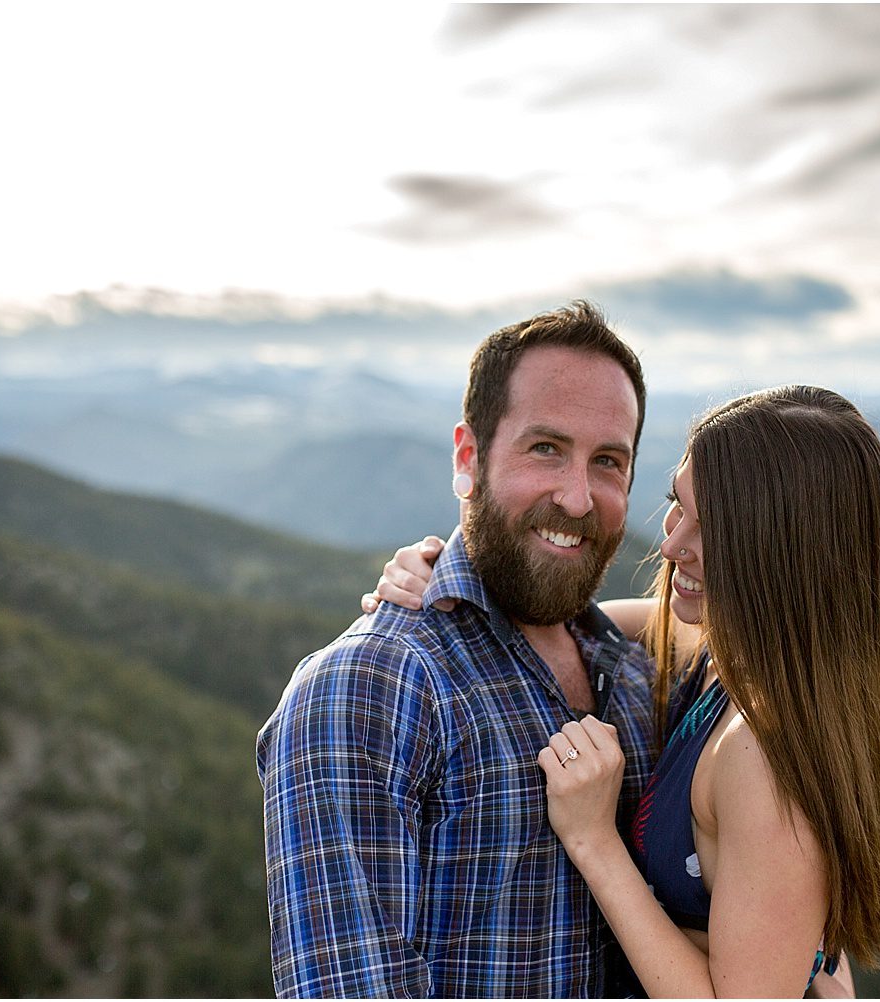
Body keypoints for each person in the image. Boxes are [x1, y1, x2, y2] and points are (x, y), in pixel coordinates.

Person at [370, 385, 880, 997]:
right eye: (677, 505)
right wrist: (445, 576)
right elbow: (579, 625)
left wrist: (594, 839)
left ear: (787, 555)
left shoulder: (760, 756)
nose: (671, 545)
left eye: (713, 529)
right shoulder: (732, 658)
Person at [257, 301, 662, 998]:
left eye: (607, 461)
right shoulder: (369, 691)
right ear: (469, 457)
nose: (577, 498)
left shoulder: (636, 673)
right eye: (546, 448)